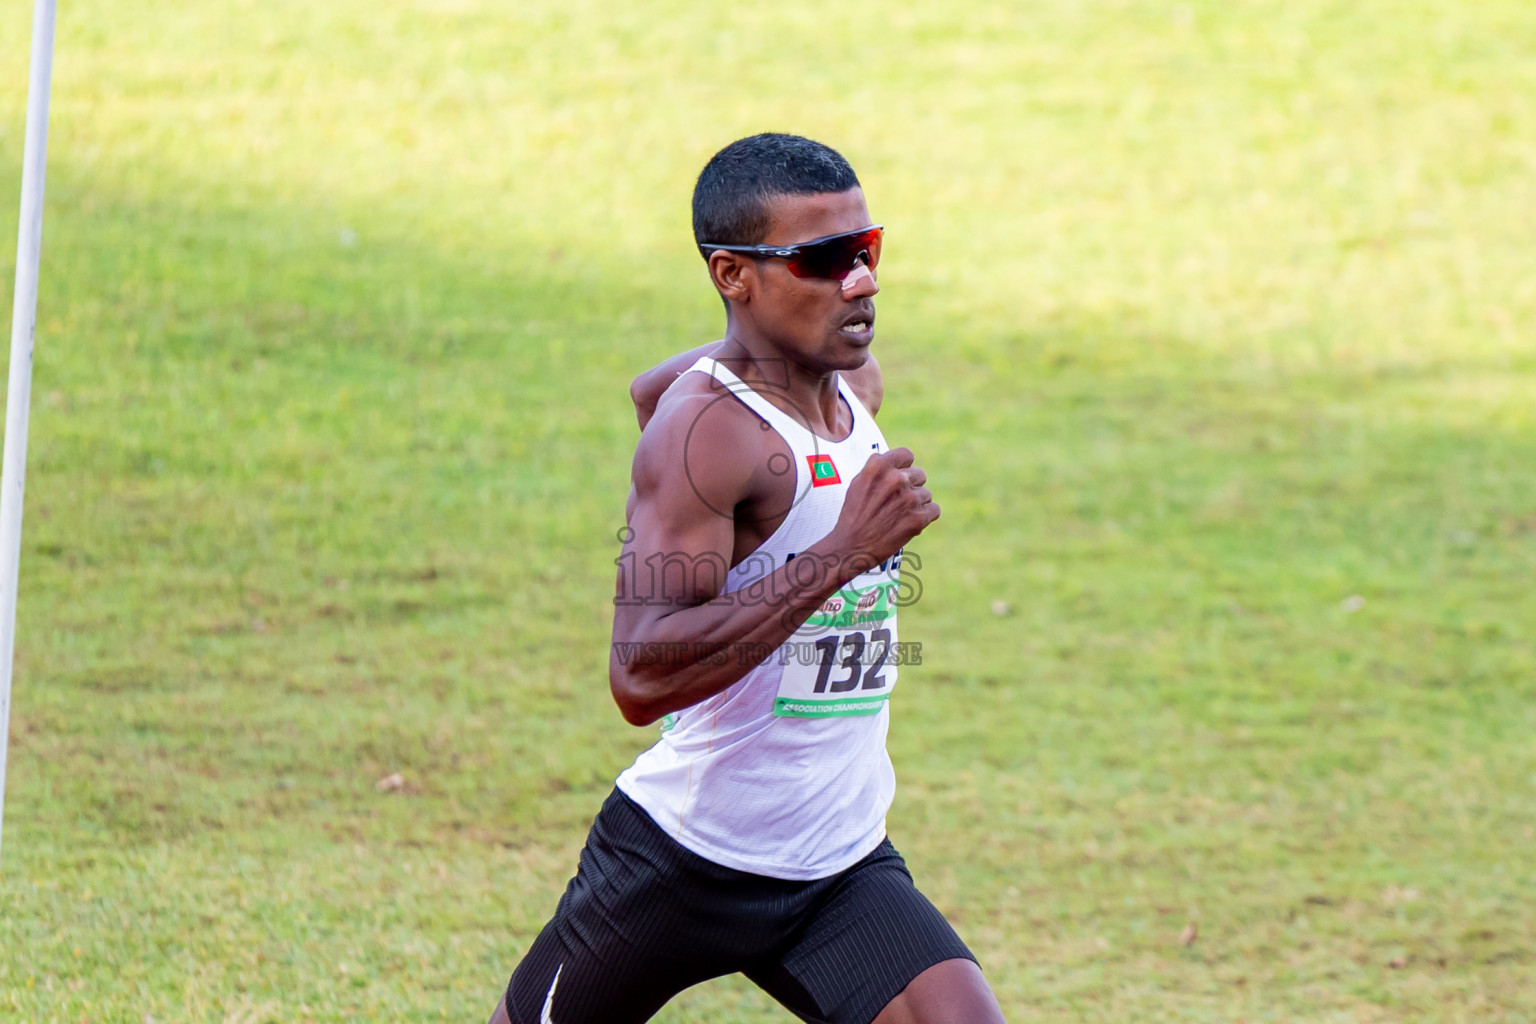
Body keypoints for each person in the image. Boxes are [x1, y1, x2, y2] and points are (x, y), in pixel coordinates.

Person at [489, 133, 1005, 1024]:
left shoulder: (852, 386)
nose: (863, 283)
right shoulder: (709, 436)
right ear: (733, 273)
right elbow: (642, 674)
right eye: (824, 260)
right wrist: (843, 551)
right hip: (683, 859)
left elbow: (651, 387)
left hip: (833, 863)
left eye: (867, 249)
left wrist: (768, 342)